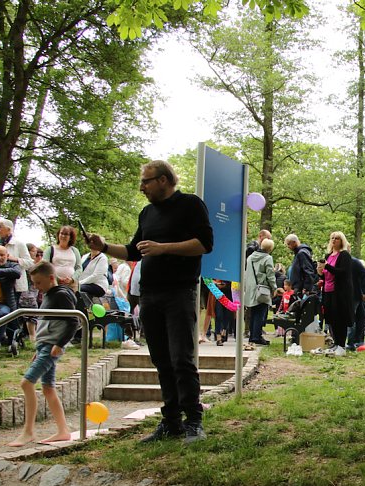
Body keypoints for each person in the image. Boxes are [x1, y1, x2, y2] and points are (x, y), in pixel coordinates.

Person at [87, 159, 213, 444]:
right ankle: (171, 422)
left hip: (179, 293)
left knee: (182, 359)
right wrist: (104, 247)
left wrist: (162, 248)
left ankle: (194, 421)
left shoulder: (191, 204)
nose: (141, 187)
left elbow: (205, 244)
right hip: (150, 295)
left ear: (164, 180)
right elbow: (134, 250)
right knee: (161, 360)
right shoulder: (147, 213)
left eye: (146, 181)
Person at [6, 261, 78, 447]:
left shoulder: (61, 295)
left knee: (27, 383)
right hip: (44, 347)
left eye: (38, 283)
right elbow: (46, 325)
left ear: (51, 278)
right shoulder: (49, 295)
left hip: (51, 347)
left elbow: (74, 321)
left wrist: (60, 344)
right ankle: (63, 431)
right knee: (47, 388)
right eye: (34, 283)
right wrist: (39, 349)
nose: (36, 287)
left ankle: (28, 431)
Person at [318, 232, 354, 356]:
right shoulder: (328, 256)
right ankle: (336, 343)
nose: (334, 240)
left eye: (337, 238)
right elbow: (326, 274)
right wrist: (320, 272)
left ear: (342, 241)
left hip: (340, 292)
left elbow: (342, 272)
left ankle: (342, 346)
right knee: (331, 319)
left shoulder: (344, 255)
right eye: (332, 238)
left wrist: (327, 267)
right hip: (327, 291)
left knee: (340, 319)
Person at [244, 238, 277, 347]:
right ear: (270, 248)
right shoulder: (268, 258)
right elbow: (270, 275)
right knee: (261, 313)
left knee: (253, 313)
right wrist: (274, 287)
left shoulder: (250, 258)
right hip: (262, 289)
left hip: (250, 288)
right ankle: (256, 337)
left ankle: (252, 335)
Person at [0, 219, 32, 296]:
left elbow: (30, 263)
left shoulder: (19, 244)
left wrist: (13, 259)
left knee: (12, 306)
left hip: (14, 284)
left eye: (0, 227)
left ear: (8, 229)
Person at [42, 225, 81, 290]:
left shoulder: (75, 251)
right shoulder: (50, 249)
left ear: (70, 237)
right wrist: (57, 278)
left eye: (66, 234)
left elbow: (79, 268)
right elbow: (45, 267)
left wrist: (72, 279)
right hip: (54, 284)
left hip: (72, 285)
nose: (63, 236)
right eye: (61, 233)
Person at [349, 257, 365, 349]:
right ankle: (356, 341)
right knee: (357, 319)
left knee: (360, 320)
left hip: (362, 299)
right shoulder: (355, 274)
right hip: (358, 297)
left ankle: (357, 341)